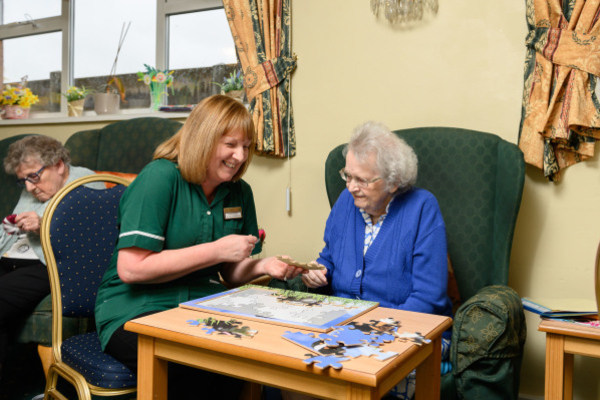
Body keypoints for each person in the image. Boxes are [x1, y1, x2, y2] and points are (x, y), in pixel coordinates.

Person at [94, 94, 303, 398]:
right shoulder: (160, 178)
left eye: (246, 147)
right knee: (195, 367)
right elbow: (131, 269)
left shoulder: (239, 192)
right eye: (230, 145)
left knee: (257, 354)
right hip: (136, 307)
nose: (240, 157)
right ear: (203, 139)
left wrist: (263, 265)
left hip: (203, 304)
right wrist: (217, 250)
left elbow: (230, 273)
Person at [301, 121, 453, 400]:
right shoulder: (346, 203)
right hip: (342, 328)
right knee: (292, 366)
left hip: (410, 330)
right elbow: (329, 258)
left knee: (361, 373)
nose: (350, 187)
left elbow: (428, 298)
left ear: (394, 181)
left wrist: (368, 333)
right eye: (347, 176)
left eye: (362, 180)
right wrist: (319, 272)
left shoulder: (422, 208)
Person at [0, 135, 99, 384]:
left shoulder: (88, 183)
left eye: (34, 177)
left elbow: (89, 243)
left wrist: (43, 226)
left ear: (58, 164)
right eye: (23, 180)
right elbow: (10, 232)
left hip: (49, 264)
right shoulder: (34, 188)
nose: (30, 187)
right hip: (12, 258)